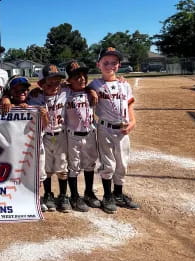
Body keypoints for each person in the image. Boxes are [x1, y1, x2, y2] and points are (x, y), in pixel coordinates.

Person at [89, 47, 140, 213]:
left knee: (122, 163)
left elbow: (129, 105)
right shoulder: (95, 84)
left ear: (119, 65)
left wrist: (133, 121)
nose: (110, 65)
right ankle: (107, 195)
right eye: (106, 62)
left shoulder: (124, 85)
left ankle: (118, 194)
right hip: (105, 129)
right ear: (98, 64)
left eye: (114, 62)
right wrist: (90, 90)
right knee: (108, 163)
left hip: (123, 129)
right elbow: (80, 89)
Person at [28, 64, 70, 213]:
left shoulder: (66, 91)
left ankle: (64, 195)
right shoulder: (35, 97)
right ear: (41, 84)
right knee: (46, 166)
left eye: (57, 81)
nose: (54, 85)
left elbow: (81, 87)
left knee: (62, 166)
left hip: (61, 135)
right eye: (49, 82)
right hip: (45, 136)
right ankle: (47, 194)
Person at [64, 61, 100, 212]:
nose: (82, 79)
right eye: (76, 76)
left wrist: (91, 90)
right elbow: (48, 89)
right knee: (74, 166)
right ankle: (74, 195)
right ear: (69, 80)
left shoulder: (90, 91)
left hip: (90, 133)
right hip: (73, 136)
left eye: (84, 75)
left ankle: (89, 192)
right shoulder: (64, 93)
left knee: (90, 164)